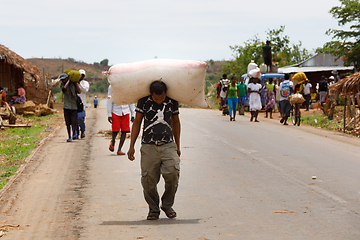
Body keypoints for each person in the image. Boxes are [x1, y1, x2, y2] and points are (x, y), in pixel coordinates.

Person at [127, 80, 181, 220]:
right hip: (148, 145)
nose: (159, 101)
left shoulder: (172, 102)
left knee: (173, 174)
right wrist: (131, 145)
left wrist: (178, 145)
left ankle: (167, 205)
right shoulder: (143, 102)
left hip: (168, 144)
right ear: (151, 94)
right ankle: (153, 209)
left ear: (165, 94)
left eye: (162, 98)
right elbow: (137, 122)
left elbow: (175, 122)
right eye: (156, 98)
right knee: (148, 180)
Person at [107, 85, 135, 155]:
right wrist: (109, 114)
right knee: (115, 130)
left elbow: (130, 101)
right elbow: (109, 99)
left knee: (124, 131)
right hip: (115, 111)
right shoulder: (112, 87)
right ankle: (113, 141)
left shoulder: (128, 87)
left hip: (125, 111)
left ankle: (119, 149)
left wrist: (133, 114)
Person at [60, 73, 81, 142]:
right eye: (62, 80)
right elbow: (64, 89)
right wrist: (68, 81)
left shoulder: (73, 85)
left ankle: (74, 132)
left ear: (66, 78)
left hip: (74, 106)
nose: (63, 81)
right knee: (67, 122)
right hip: (66, 106)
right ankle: (69, 136)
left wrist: (75, 83)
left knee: (74, 121)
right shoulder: (62, 85)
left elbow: (79, 91)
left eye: (64, 79)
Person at [75, 69, 90, 139]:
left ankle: (82, 131)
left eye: (83, 75)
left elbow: (84, 90)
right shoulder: (74, 82)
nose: (81, 76)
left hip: (81, 104)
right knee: (74, 119)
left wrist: (79, 84)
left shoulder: (85, 83)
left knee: (80, 118)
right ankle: (76, 133)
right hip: (74, 103)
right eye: (80, 75)